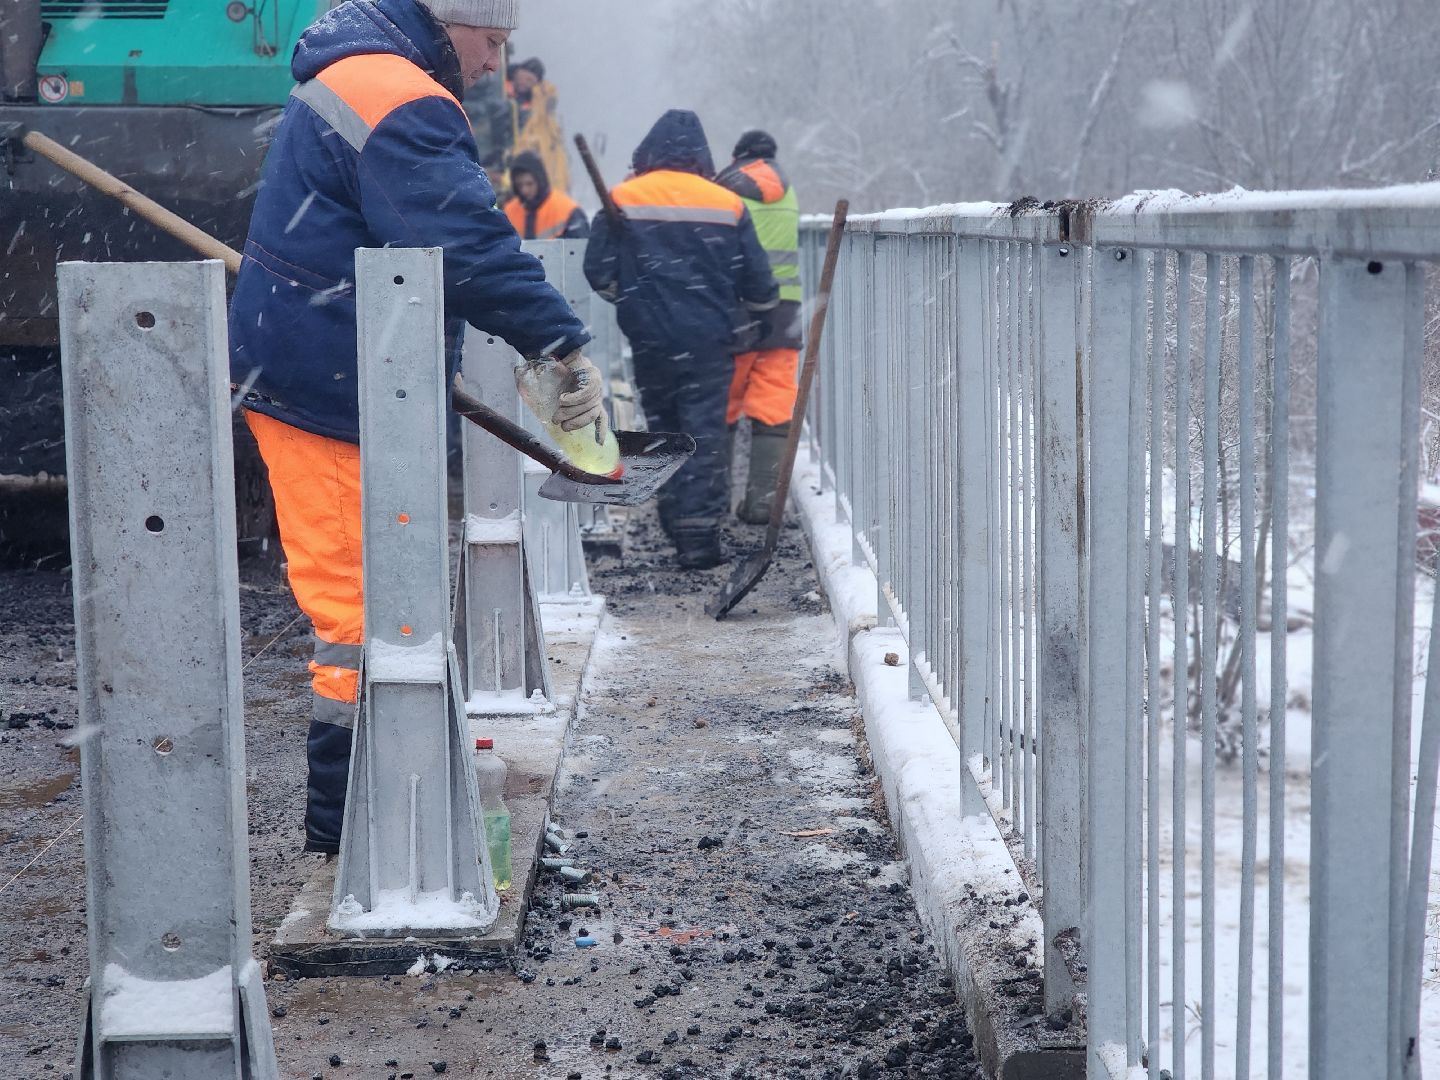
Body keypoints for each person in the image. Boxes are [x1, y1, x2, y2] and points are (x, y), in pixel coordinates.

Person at [228, 0, 603, 855]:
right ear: (453, 22)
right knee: (360, 620)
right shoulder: (401, 96)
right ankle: (355, 843)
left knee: (377, 604)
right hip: (332, 387)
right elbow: (466, 247)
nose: (493, 65)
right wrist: (560, 344)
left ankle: (380, 822)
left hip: (331, 369)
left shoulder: (364, 75)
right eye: (491, 42)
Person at [584, 109, 779, 569]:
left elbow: (598, 271)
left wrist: (631, 301)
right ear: (701, 155)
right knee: (704, 432)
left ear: (649, 151)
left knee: (664, 428)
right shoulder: (727, 203)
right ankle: (699, 536)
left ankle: (673, 520)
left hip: (650, 338)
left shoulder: (622, 198)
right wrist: (760, 312)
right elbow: (758, 280)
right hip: (710, 338)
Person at [716, 130, 803, 524]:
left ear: (739, 155)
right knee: (773, 405)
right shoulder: (788, 190)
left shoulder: (727, 185)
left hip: (739, 309)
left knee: (724, 405)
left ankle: (714, 503)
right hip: (785, 314)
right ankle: (764, 504)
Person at [508, 56, 571, 199]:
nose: (524, 83)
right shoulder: (498, 94)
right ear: (515, 74)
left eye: (530, 80)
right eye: (522, 77)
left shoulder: (537, 110)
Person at [504, 150, 589, 240]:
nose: (524, 190)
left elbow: (580, 249)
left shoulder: (568, 211)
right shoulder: (509, 212)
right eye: (519, 185)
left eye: (529, 184)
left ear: (540, 181)